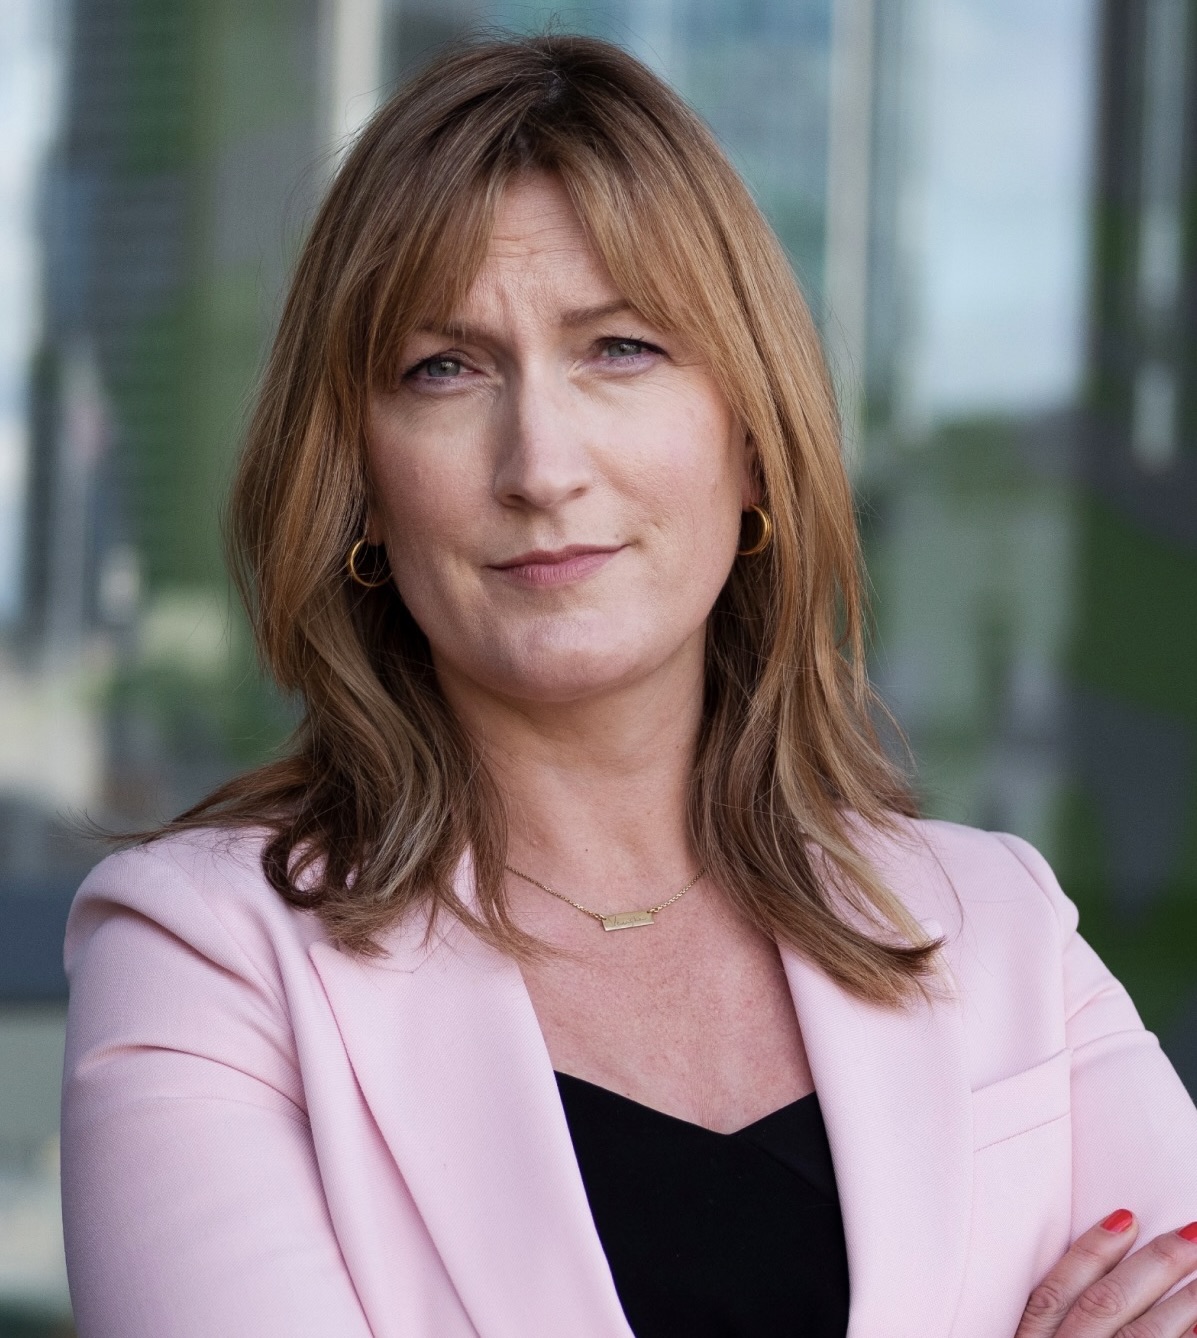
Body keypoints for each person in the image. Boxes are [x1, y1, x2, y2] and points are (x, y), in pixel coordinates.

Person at [61, 33, 1197, 1338]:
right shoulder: (208, 959)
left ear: (752, 442)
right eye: (444, 368)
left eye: (619, 348)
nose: (541, 465)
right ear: (360, 481)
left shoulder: (995, 927)